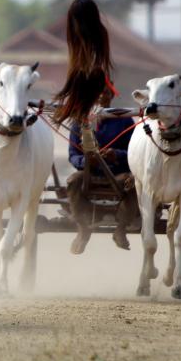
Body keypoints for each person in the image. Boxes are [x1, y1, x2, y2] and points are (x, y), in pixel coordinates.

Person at [66, 88, 136, 253]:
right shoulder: (79, 121)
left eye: (105, 92)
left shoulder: (125, 120)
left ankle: (121, 228)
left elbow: (135, 153)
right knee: (73, 181)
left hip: (119, 173)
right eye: (97, 92)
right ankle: (83, 229)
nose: (101, 95)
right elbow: (73, 155)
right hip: (89, 174)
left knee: (131, 184)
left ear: (112, 95)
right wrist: (86, 161)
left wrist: (116, 155)